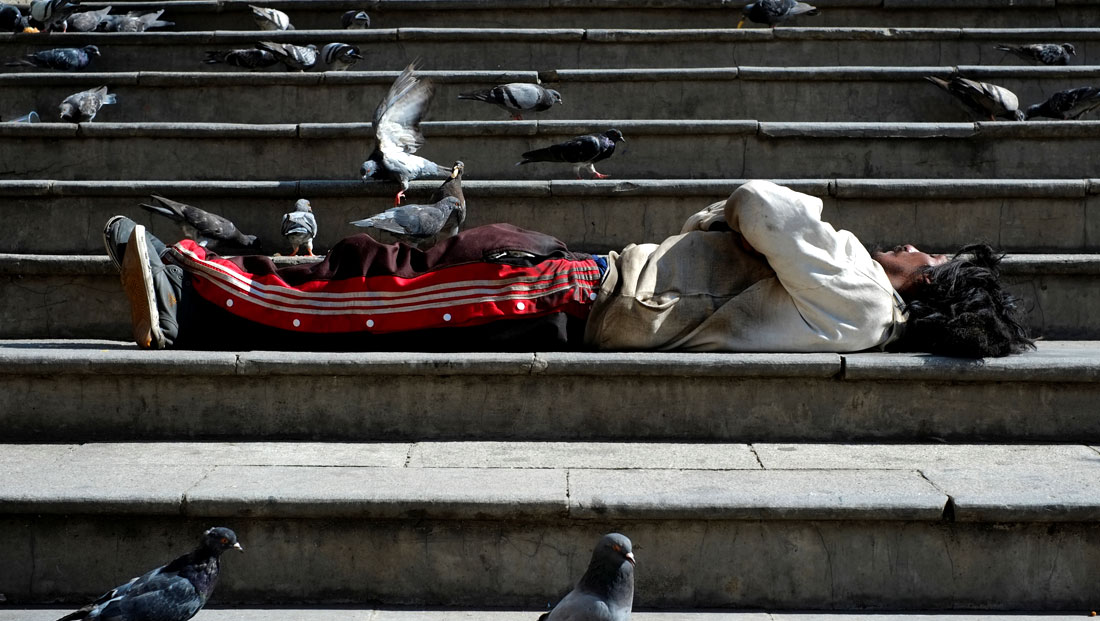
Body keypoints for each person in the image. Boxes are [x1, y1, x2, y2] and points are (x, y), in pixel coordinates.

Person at [104, 180, 1033, 358]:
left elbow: (762, 199)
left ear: (930, 283)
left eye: (931, 255)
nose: (911, 245)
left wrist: (724, 220)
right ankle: (213, 275)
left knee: (381, 295)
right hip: (590, 295)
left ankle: (193, 295)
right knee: (386, 271)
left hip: (585, 293)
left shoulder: (866, 292)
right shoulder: (862, 320)